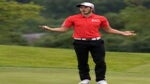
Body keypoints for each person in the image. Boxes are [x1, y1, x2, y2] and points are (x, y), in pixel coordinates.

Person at [40, 2, 136, 84]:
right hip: (79, 42)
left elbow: (108, 29)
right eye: (81, 7)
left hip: (96, 42)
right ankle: (85, 79)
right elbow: (63, 29)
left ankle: (101, 79)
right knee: (82, 61)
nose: (83, 9)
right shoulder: (72, 18)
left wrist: (123, 33)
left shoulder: (100, 18)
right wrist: (51, 29)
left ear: (91, 8)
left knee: (100, 61)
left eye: (85, 7)